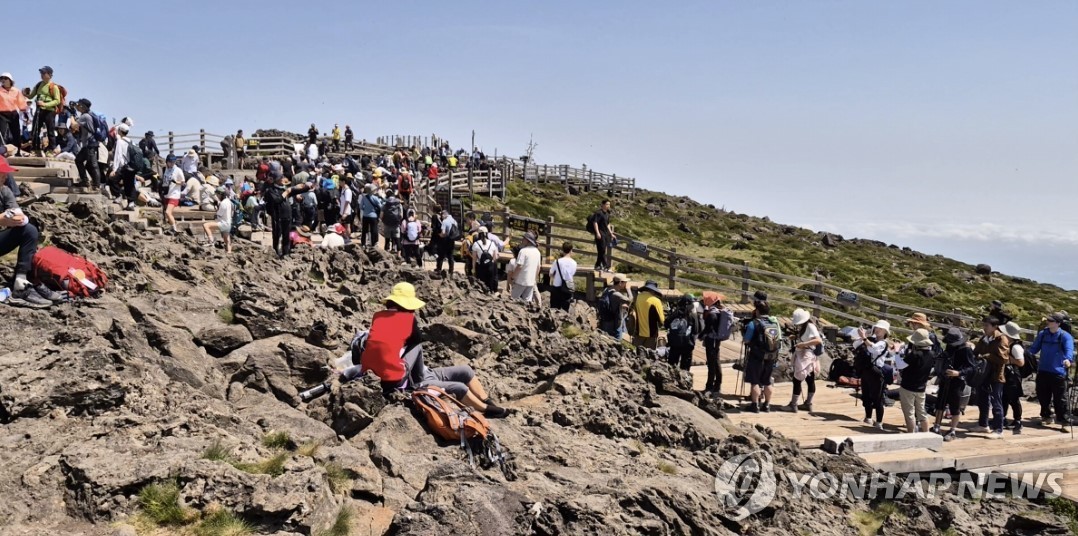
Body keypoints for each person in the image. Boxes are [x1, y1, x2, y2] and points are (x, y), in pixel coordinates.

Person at [344, 283, 512, 418]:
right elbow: (414, 342)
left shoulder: (379, 316)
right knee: (459, 387)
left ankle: (488, 402)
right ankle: (486, 410)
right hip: (402, 382)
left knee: (465, 370)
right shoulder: (409, 321)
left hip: (404, 372)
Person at [0, 178, 57, 307]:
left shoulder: (4, 191)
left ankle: (21, 282)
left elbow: (17, 212)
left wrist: (18, 219)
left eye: (3, 177)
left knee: (29, 230)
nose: (1, 181)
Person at [1028, 312, 1075, 430]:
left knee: (1061, 398)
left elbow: (1069, 350)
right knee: (1043, 396)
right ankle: (1046, 417)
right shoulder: (1043, 334)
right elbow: (1034, 348)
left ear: (1058, 323)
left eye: (1051, 321)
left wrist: (1068, 360)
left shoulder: (1065, 336)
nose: (1048, 322)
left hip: (1058, 372)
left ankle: (1064, 421)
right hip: (1043, 370)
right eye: (1048, 320)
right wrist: (1025, 354)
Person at [973, 316, 1011, 439]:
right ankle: (983, 425)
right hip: (984, 373)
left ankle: (998, 429)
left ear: (995, 327)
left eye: (986, 326)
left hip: (996, 375)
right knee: (982, 399)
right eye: (984, 325)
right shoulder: (984, 338)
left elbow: (1004, 359)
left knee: (996, 402)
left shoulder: (1001, 339)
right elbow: (976, 352)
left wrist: (988, 356)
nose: (984, 328)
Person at [741, 301, 782, 412]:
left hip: (757, 356)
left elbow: (746, 340)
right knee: (767, 381)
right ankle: (767, 405)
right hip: (771, 356)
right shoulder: (774, 323)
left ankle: (755, 405)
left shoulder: (753, 323)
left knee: (755, 381)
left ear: (757, 311)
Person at [782, 309, 823, 413]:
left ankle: (794, 404)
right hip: (809, 355)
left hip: (806, 356)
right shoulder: (806, 326)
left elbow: (818, 340)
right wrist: (796, 337)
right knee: (810, 379)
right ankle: (808, 404)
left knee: (797, 380)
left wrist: (803, 344)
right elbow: (808, 337)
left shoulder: (810, 326)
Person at [895, 329, 936, 433]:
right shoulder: (931, 354)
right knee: (922, 412)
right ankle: (926, 434)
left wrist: (897, 351)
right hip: (921, 388)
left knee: (909, 413)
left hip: (908, 387)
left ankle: (911, 434)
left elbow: (900, 365)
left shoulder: (915, 354)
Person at [853, 320, 892, 429]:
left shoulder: (883, 343)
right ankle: (868, 417)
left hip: (876, 372)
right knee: (866, 395)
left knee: (877, 398)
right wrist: (864, 337)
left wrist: (865, 338)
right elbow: (855, 345)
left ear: (885, 332)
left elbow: (874, 349)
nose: (877, 330)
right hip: (866, 370)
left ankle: (879, 422)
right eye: (876, 328)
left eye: (880, 329)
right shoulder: (870, 339)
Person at [700, 292, 733, 398]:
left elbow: (707, 329)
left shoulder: (712, 314)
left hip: (712, 340)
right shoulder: (719, 311)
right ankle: (717, 385)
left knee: (711, 363)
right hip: (717, 340)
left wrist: (700, 336)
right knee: (716, 361)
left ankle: (710, 386)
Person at [999, 321, 1026, 434]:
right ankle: (1003, 418)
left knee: (1013, 398)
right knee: (1004, 397)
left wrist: (1008, 359)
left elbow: (1021, 363)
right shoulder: (1009, 344)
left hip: (1013, 375)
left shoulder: (1015, 347)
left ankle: (1018, 420)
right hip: (1007, 373)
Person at [30, 66, 62, 155]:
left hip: (49, 111)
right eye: (41, 73)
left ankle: (51, 149)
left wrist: (45, 104)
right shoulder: (38, 85)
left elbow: (57, 100)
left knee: (50, 130)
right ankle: (35, 148)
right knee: (35, 129)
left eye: (44, 73)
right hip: (39, 110)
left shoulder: (53, 87)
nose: (42, 75)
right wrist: (25, 93)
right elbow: (31, 96)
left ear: (50, 75)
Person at [665, 294, 701, 371]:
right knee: (685, 368)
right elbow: (696, 330)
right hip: (687, 344)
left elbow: (666, 324)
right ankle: (683, 381)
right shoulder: (693, 315)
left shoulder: (674, 313)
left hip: (674, 344)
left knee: (672, 366)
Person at [630, 280, 665, 350]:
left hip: (637, 333)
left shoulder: (636, 298)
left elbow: (630, 311)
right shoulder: (656, 301)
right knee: (648, 357)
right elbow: (662, 320)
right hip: (651, 335)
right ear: (654, 290)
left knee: (636, 355)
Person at [264, 175, 293, 258]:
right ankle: (275, 253)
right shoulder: (271, 190)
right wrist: (286, 193)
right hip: (278, 216)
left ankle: (285, 253)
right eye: (281, 178)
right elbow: (277, 200)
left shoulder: (284, 188)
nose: (283, 180)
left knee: (286, 235)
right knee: (277, 235)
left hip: (287, 215)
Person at [509, 232, 542, 302]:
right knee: (527, 301)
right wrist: (534, 279)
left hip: (521, 280)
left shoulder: (523, 251)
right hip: (531, 281)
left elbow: (519, 266)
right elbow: (538, 267)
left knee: (513, 299)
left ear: (528, 240)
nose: (522, 240)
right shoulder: (537, 252)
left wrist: (513, 277)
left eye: (524, 238)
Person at [599, 274, 633, 340]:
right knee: (617, 341)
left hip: (606, 320)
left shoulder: (607, 290)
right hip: (614, 322)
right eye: (625, 282)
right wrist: (628, 289)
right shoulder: (616, 294)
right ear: (620, 283)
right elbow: (630, 300)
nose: (626, 284)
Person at [0, 72, 29, 150]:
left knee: (16, 132)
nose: (3, 80)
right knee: (2, 132)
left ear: (10, 80)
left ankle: (18, 149)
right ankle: (1, 150)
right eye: (1, 78)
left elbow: (21, 103)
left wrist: (25, 114)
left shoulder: (16, 91)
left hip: (13, 113)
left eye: (5, 78)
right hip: (2, 114)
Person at [469, 226, 500, 293]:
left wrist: (473, 269)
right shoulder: (492, 243)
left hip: (480, 267)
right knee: (490, 283)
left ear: (479, 234)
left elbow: (474, 259)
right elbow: (495, 257)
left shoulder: (476, 244)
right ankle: (491, 292)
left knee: (481, 284)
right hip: (490, 267)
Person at [202, 188, 233, 252]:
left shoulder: (223, 203)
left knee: (206, 225)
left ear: (221, 194)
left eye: (217, 195)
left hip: (223, 223)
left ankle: (211, 242)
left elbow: (219, 214)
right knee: (227, 240)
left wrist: (216, 208)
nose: (217, 196)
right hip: (228, 223)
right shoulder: (228, 201)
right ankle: (229, 252)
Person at [549, 242, 577, 311]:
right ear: (571, 250)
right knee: (565, 310)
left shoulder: (557, 261)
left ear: (562, 250)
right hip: (568, 287)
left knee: (554, 308)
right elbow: (572, 273)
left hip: (557, 286)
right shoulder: (574, 263)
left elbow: (550, 273)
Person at [589, 200, 615, 273]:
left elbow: (608, 224)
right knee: (602, 250)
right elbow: (595, 222)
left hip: (605, 233)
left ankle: (597, 265)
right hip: (600, 233)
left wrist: (611, 233)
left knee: (602, 250)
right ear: (602, 205)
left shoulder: (607, 214)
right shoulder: (599, 213)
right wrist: (597, 233)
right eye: (607, 204)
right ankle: (606, 266)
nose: (608, 206)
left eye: (609, 204)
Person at [359, 184, 384, 249]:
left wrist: (366, 209)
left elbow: (361, 207)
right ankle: (374, 243)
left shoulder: (364, 197)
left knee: (364, 230)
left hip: (365, 216)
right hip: (373, 216)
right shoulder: (375, 198)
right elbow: (380, 207)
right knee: (374, 230)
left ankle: (363, 243)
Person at [435, 209, 459, 276]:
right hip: (452, 240)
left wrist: (439, 235)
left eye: (441, 215)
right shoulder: (454, 221)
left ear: (444, 214)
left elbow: (443, 233)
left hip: (445, 240)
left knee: (441, 255)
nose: (441, 217)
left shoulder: (445, 221)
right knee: (450, 256)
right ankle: (451, 270)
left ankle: (438, 269)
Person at [381, 190, 403, 254]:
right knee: (397, 239)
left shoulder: (385, 204)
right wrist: (398, 221)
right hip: (396, 224)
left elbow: (381, 215)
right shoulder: (399, 204)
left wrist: (383, 221)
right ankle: (398, 254)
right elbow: (401, 215)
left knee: (387, 240)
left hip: (387, 224)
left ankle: (386, 254)